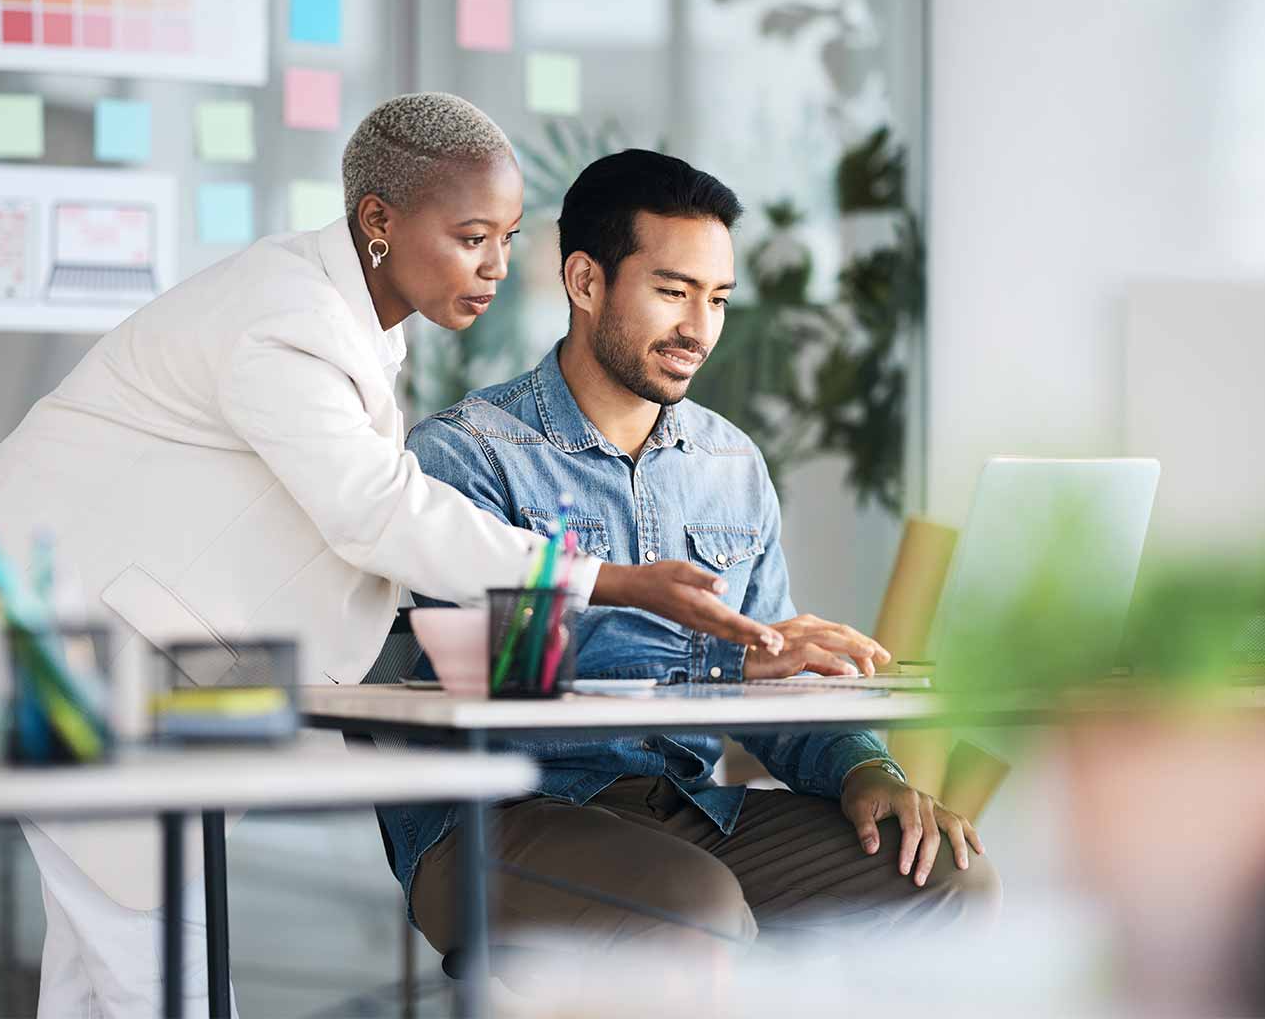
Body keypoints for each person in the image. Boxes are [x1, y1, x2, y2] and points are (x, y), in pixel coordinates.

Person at [0, 97, 783, 1018]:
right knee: (163, 972)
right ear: (378, 222)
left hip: (90, 658)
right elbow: (374, 511)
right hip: (47, 655)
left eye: (508, 238)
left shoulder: (345, 324)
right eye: (471, 236)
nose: (496, 269)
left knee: (108, 972)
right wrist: (615, 581)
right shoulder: (288, 319)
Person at [384, 150, 1001, 972]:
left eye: (716, 300)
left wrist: (864, 769)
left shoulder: (730, 465)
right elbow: (500, 678)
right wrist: (723, 660)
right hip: (498, 816)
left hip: (689, 810)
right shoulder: (467, 456)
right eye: (673, 292)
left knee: (947, 880)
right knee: (694, 910)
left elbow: (776, 672)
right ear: (584, 281)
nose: (699, 330)